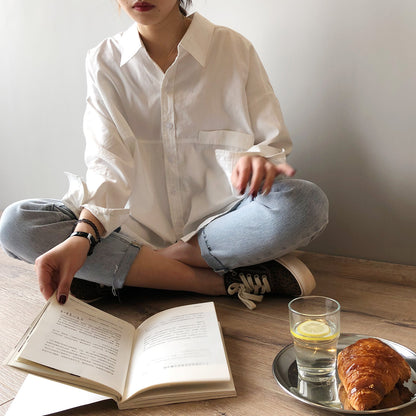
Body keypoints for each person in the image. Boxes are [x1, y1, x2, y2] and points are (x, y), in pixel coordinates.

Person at [0, 0, 329, 310]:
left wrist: (260, 161)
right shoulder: (104, 60)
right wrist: (84, 236)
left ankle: (135, 272)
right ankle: (211, 284)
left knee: (305, 204)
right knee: (17, 223)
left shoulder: (234, 49)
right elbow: (107, 165)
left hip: (221, 227)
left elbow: (271, 146)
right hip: (126, 229)